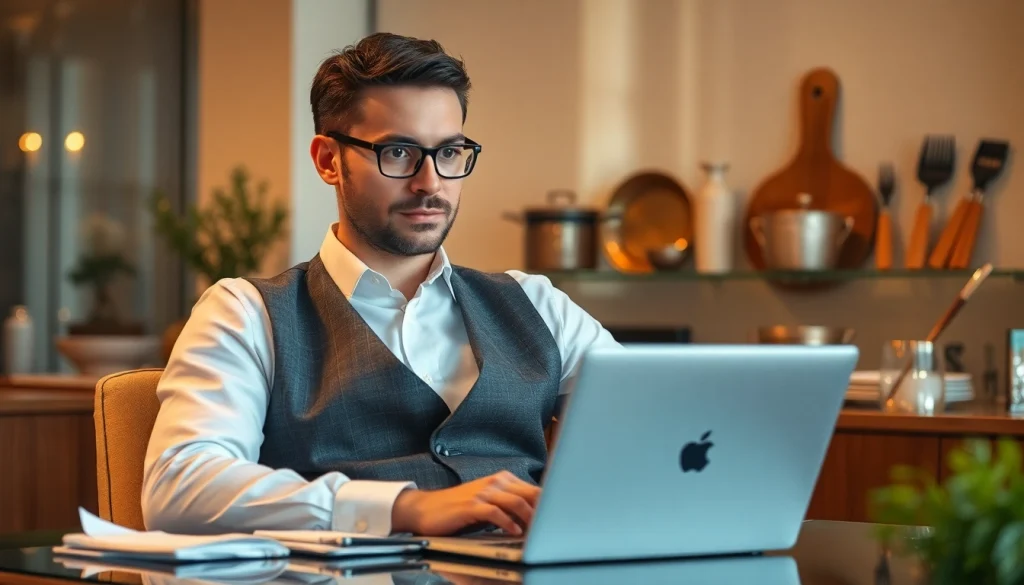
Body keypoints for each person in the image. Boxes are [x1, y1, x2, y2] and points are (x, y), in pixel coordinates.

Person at [141, 32, 620, 538]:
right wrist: (403, 508)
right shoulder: (245, 312)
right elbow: (179, 487)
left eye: (450, 153)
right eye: (398, 152)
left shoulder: (537, 304)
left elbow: (651, 425)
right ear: (328, 160)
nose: (430, 183)